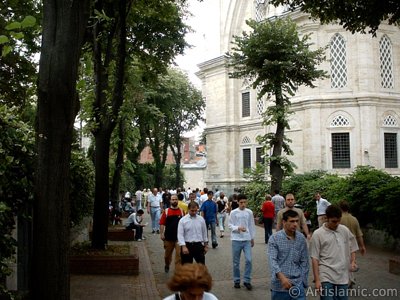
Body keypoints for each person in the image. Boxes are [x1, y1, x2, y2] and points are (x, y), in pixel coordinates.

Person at [310, 205, 359, 300]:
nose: (336, 224)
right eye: (333, 221)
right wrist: (317, 280)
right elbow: (314, 258)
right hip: (326, 275)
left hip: (342, 276)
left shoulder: (344, 230)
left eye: (338, 221)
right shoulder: (318, 234)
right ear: (326, 219)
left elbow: (353, 247)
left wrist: (353, 262)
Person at [268, 210, 309, 300]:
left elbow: (304, 261)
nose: (295, 224)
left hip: (298, 284)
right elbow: (272, 260)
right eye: (292, 221)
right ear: (284, 222)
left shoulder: (301, 238)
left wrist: (302, 280)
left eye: (297, 221)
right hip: (279, 286)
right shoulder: (274, 238)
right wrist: (282, 277)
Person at [228, 194, 256, 290]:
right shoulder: (233, 212)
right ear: (238, 202)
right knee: (236, 262)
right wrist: (238, 228)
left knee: (249, 260)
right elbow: (230, 225)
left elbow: (251, 225)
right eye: (241, 203)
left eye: (245, 202)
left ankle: (247, 280)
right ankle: (236, 280)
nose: (243, 204)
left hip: (247, 239)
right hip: (236, 239)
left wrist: (252, 238)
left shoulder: (249, 212)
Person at [338, 200, 366, 288]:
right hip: (352, 245)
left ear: (340, 208)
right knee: (351, 262)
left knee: (342, 263)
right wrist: (362, 246)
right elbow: (359, 234)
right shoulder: (354, 219)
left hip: (341, 244)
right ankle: (351, 279)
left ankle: (347, 281)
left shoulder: (339, 219)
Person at [160, 194, 185, 273]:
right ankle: (167, 264)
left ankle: (178, 273)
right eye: (173, 199)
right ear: (170, 201)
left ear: (178, 200)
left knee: (179, 256)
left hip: (179, 238)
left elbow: (185, 223)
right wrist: (161, 233)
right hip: (168, 238)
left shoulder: (181, 211)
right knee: (167, 256)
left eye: (176, 199)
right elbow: (162, 223)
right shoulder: (166, 211)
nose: (174, 201)